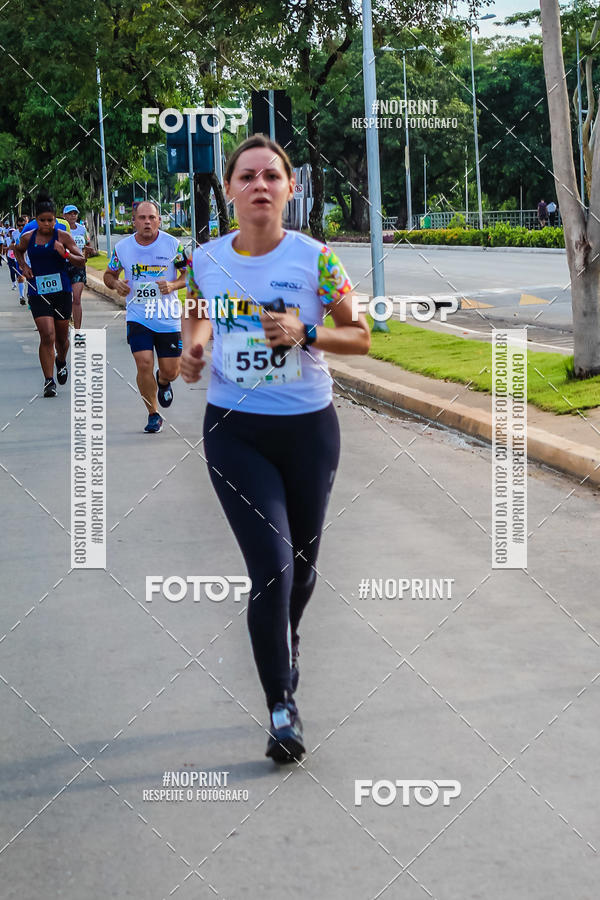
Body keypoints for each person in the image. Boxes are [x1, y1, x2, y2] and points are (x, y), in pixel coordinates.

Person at [181, 135, 370, 763]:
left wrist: (305, 331)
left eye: (272, 176)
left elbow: (362, 337)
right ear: (230, 190)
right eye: (247, 176)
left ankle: (286, 634)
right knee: (273, 569)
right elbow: (197, 313)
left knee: (304, 571)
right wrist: (195, 346)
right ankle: (281, 706)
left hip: (309, 432)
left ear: (290, 189)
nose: (260, 185)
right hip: (234, 433)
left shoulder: (318, 260)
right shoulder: (205, 258)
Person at [102, 200, 188, 433]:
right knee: (143, 364)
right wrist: (116, 284)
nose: (147, 222)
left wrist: (173, 285)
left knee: (172, 371)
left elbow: (188, 274)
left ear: (159, 220)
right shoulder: (123, 248)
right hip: (138, 316)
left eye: (152, 217)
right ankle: (153, 413)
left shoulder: (173, 245)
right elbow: (109, 274)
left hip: (167, 317)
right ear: (134, 222)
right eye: (142, 218)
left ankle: (163, 380)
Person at [14, 192, 84, 397]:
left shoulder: (63, 236)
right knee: (47, 335)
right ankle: (48, 381)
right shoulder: (28, 237)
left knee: (61, 338)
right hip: (38, 291)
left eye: (50, 220)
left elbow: (80, 261)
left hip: (61, 291)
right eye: (42, 220)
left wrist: (64, 253)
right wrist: (24, 266)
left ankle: (61, 360)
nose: (46, 224)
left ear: (55, 219)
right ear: (36, 220)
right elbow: (17, 250)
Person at [62, 204, 95, 328]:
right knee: (65, 298)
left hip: (78, 267)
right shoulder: (61, 229)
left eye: (75, 213)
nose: (73, 215)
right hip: (64, 265)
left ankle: (77, 330)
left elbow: (86, 245)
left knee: (76, 298)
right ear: (64, 215)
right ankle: (66, 319)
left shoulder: (82, 229)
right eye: (70, 213)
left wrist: (87, 252)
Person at [7, 216, 28, 302]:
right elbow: (12, 244)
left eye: (23, 225)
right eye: (19, 225)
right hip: (19, 259)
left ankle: (31, 296)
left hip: (30, 259)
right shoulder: (15, 233)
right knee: (20, 277)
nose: (21, 227)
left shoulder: (29, 232)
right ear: (17, 226)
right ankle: (21, 296)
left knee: (31, 279)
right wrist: (11, 247)